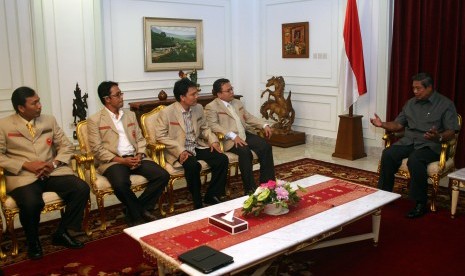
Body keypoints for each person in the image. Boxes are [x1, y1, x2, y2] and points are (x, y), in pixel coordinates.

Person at [0, 87, 90, 260]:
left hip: (51, 172)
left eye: (39, 101)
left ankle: (62, 232)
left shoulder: (49, 120)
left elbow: (66, 145)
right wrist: (26, 165)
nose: (40, 106)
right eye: (34, 103)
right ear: (21, 108)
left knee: (81, 188)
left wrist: (54, 162)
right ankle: (33, 241)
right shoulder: (4, 125)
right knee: (32, 202)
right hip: (23, 176)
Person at [370, 72, 459, 218]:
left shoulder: (445, 104)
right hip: (409, 140)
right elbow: (398, 125)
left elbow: (452, 131)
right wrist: (382, 124)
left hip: (431, 144)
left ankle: (420, 203)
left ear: (429, 87)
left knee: (415, 159)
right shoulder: (410, 103)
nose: (415, 92)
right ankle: (384, 194)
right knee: (389, 153)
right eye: (413, 88)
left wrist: (439, 136)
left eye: (419, 88)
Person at [87, 81, 169, 226]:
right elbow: (97, 149)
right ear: (107, 99)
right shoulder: (95, 120)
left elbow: (140, 139)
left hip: (135, 156)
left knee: (162, 175)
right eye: (117, 95)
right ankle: (139, 214)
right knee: (121, 183)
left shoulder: (130, 115)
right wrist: (122, 161)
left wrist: (140, 154)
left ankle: (134, 209)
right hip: (113, 161)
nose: (121, 97)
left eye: (121, 93)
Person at [154, 78, 228, 209]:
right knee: (192, 166)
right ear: (182, 97)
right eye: (193, 94)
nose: (197, 97)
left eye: (196, 93)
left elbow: (205, 128)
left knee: (221, 159)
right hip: (179, 149)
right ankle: (197, 201)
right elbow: (160, 136)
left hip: (196, 145)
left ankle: (212, 194)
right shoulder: (167, 112)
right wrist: (180, 150)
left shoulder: (198, 108)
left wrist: (213, 141)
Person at [205, 78, 276, 195]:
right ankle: (250, 189)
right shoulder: (211, 106)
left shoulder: (237, 102)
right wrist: (232, 136)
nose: (232, 92)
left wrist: (264, 125)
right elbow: (213, 126)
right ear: (219, 94)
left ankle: (268, 184)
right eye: (228, 90)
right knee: (245, 151)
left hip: (244, 134)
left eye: (231, 89)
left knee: (265, 146)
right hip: (229, 140)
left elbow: (248, 117)